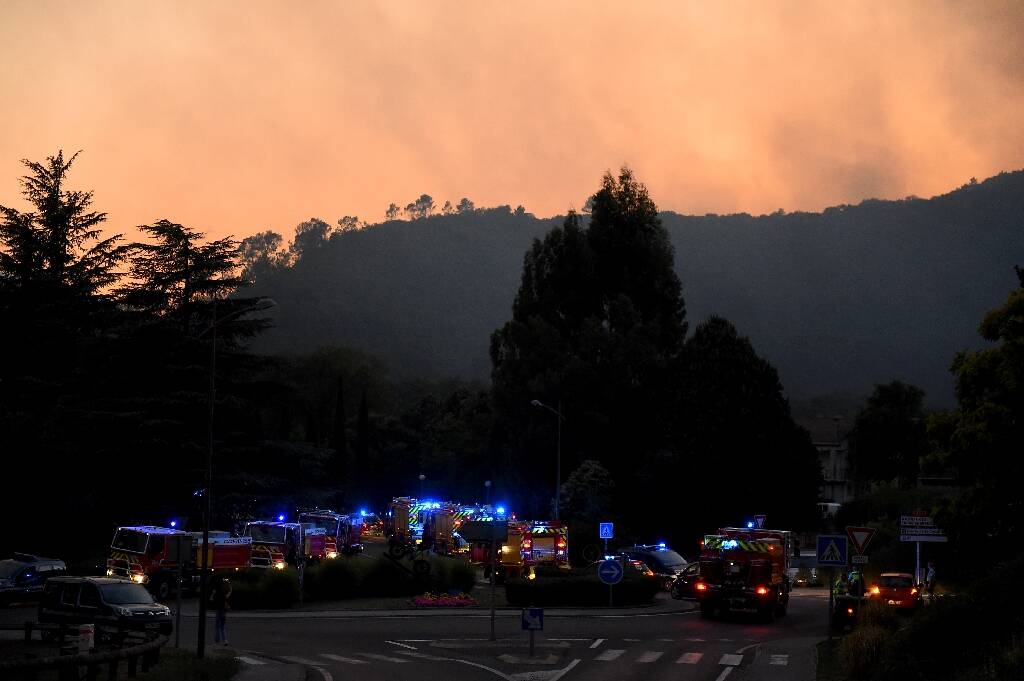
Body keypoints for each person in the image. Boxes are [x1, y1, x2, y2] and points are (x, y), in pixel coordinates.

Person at [211, 577, 232, 645]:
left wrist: (213, 593)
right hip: (223, 611)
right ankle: (225, 640)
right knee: (222, 627)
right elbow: (227, 597)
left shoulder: (216, 595)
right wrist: (230, 590)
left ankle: (217, 640)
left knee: (217, 626)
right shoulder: (222, 594)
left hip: (218, 611)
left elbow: (211, 599)